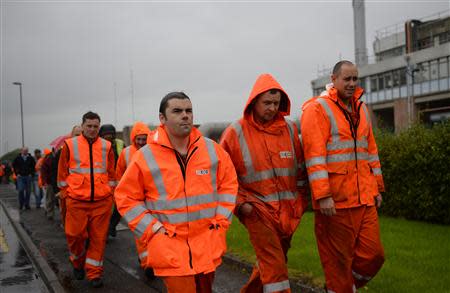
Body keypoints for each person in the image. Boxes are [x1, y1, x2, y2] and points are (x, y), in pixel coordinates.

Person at [114, 92, 238, 293]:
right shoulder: (145, 156)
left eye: (189, 110)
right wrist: (153, 230)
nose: (185, 115)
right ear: (162, 119)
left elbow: (229, 185)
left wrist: (221, 221)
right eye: (177, 111)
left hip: (207, 244)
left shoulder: (212, 150)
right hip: (168, 247)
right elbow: (125, 197)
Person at [300, 60, 385, 293]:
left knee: (374, 255)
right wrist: (323, 196)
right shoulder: (317, 108)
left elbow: (371, 151)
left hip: (364, 198)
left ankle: (348, 286)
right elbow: (314, 156)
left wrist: (377, 187)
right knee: (338, 264)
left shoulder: (361, 108)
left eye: (355, 79)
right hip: (335, 203)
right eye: (346, 79)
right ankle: (341, 287)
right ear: (333, 79)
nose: (351, 83)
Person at [220, 74, 309, 293]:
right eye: (266, 103)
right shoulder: (235, 132)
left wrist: (301, 200)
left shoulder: (289, 129)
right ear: (254, 102)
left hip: (288, 213)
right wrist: (242, 204)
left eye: (276, 103)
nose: (271, 108)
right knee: (276, 269)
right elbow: (222, 175)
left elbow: (299, 169)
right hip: (257, 211)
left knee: (272, 263)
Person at [57, 112, 116, 288]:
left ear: (99, 127)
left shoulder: (107, 146)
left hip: (102, 201)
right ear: (82, 126)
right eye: (89, 126)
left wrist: (110, 192)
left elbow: (112, 173)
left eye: (95, 126)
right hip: (76, 201)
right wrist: (65, 193)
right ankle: (77, 263)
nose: (92, 129)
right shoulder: (69, 145)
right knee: (74, 236)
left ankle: (94, 273)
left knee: (98, 239)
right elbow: (62, 174)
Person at [115, 121, 153, 277]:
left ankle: (150, 260)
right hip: (134, 201)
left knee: (153, 232)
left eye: (144, 138)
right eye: (139, 139)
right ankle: (147, 264)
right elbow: (119, 176)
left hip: (152, 199)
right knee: (141, 231)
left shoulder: (154, 151)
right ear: (133, 139)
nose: (141, 142)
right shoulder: (126, 153)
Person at [98, 124, 125, 238]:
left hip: (119, 181)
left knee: (120, 208)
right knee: (105, 210)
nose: (108, 137)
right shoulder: (97, 145)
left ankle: (111, 226)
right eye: (105, 136)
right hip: (103, 181)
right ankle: (104, 232)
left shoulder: (120, 143)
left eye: (110, 135)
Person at [58, 125, 82, 227]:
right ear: (71, 136)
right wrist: (63, 190)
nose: (79, 137)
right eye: (77, 134)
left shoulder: (90, 149)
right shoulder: (65, 150)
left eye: (81, 134)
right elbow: (59, 171)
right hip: (69, 192)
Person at [41, 148, 60, 220]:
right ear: (53, 150)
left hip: (58, 181)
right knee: (50, 199)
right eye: (57, 150)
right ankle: (50, 213)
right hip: (50, 182)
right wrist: (44, 182)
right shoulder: (48, 158)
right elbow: (44, 171)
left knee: (59, 199)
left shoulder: (60, 157)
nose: (58, 151)